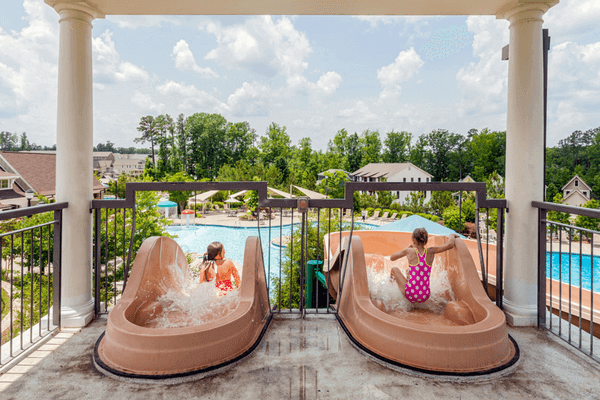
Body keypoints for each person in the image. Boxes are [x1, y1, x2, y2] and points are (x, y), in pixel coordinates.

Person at [389, 228, 458, 304]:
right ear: (426, 240)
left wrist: (408, 248)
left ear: (413, 239)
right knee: (408, 271)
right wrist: (452, 235)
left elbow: (392, 258)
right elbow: (450, 245)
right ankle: (415, 296)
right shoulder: (431, 251)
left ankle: (390, 290)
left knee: (394, 269)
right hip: (425, 295)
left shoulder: (409, 251)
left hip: (410, 294)